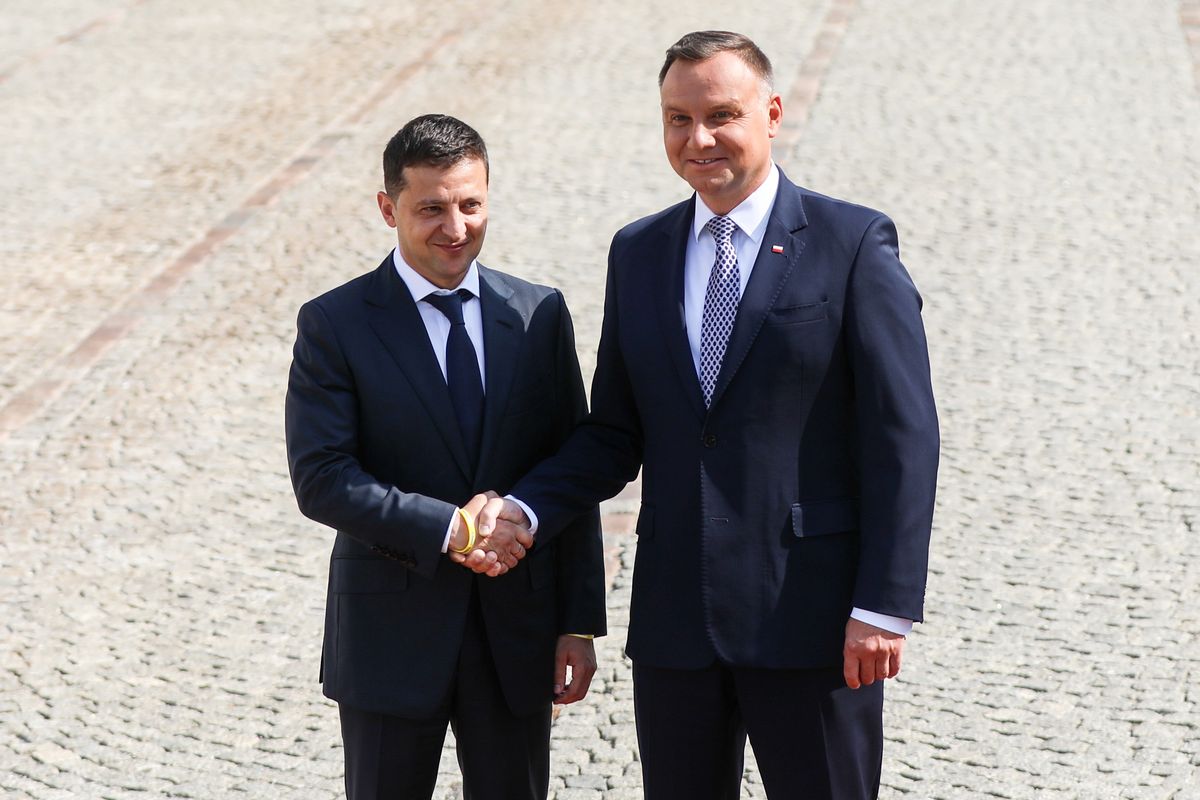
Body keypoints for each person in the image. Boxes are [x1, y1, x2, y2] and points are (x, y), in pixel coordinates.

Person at [476, 31, 939, 800]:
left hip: (815, 619)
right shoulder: (640, 251)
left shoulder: (852, 243)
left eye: (722, 114)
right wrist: (524, 508)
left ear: (772, 114)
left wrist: (884, 605)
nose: (699, 139)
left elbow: (904, 434)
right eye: (677, 119)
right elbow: (616, 431)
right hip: (676, 622)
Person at [284, 114, 605, 800]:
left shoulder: (539, 314)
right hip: (389, 637)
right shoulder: (335, 324)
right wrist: (454, 530)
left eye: (470, 205)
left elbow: (568, 468)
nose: (454, 228)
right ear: (387, 207)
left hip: (515, 634)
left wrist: (577, 622)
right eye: (430, 208)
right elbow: (323, 479)